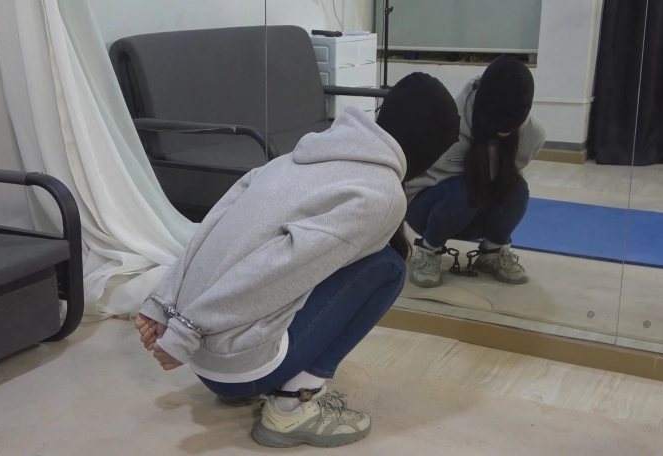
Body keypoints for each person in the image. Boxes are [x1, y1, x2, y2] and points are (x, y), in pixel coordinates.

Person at [134, 72, 460, 449]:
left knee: (335, 261)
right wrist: (185, 332)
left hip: (207, 360)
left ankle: (265, 379)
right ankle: (293, 407)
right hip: (235, 367)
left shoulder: (300, 154)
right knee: (387, 267)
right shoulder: (381, 194)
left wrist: (165, 304)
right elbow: (276, 269)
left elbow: (211, 226)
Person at [405, 55, 546, 288]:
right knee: (463, 190)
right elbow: (408, 180)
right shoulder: (444, 124)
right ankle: (429, 251)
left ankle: (492, 252)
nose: (504, 133)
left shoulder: (533, 134)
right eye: (499, 124)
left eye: (510, 127)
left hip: (475, 212)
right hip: (428, 209)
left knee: (517, 188)